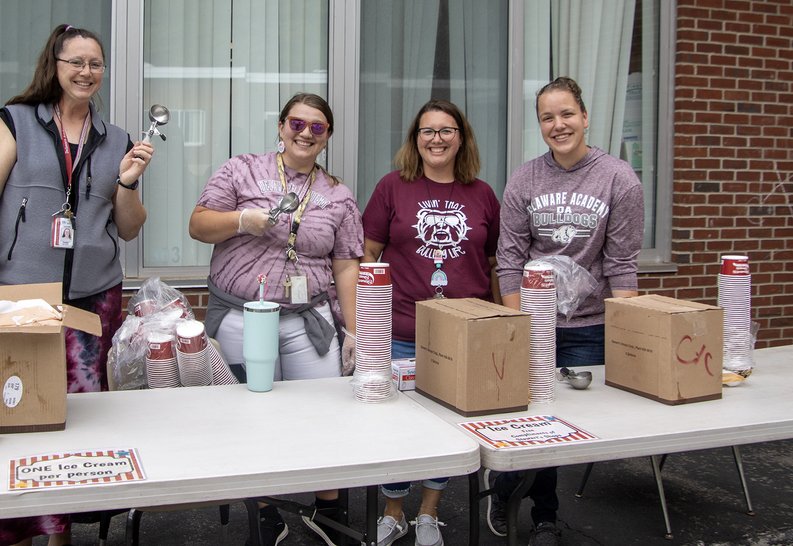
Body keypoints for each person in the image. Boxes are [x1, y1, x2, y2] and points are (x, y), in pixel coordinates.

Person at [0, 24, 154, 546]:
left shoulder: (115, 139)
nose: (86, 72)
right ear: (55, 64)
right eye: (76, 62)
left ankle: (61, 532)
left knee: (82, 415)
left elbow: (131, 227)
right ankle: (12, 531)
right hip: (22, 296)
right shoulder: (17, 122)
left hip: (93, 295)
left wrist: (129, 182)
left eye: (95, 64)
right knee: (17, 411)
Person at [189, 92, 363, 546]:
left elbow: (346, 262)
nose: (305, 133)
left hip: (311, 320)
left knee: (324, 416)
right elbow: (198, 223)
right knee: (252, 418)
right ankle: (266, 516)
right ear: (281, 126)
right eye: (297, 123)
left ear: (327, 137)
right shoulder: (241, 169)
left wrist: (355, 328)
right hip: (243, 317)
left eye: (317, 127)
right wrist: (242, 220)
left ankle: (329, 512)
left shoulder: (337, 194)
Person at [493, 76, 643, 546]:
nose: (558, 125)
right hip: (535, 323)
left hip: (592, 325)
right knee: (534, 423)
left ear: (584, 117)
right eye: (547, 117)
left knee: (575, 425)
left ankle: (512, 489)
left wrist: (632, 338)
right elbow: (510, 261)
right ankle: (541, 514)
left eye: (566, 114)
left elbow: (621, 265)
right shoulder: (525, 178)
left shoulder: (619, 178)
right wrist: (520, 328)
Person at [362, 100, 501, 546]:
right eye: (427, 131)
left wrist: (501, 322)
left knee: (447, 429)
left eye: (446, 130)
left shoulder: (482, 194)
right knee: (399, 427)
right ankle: (393, 511)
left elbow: (494, 261)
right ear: (414, 139)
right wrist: (365, 323)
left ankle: (428, 513)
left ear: (461, 137)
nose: (436, 139)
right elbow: (368, 256)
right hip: (403, 328)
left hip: (465, 334)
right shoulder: (392, 187)